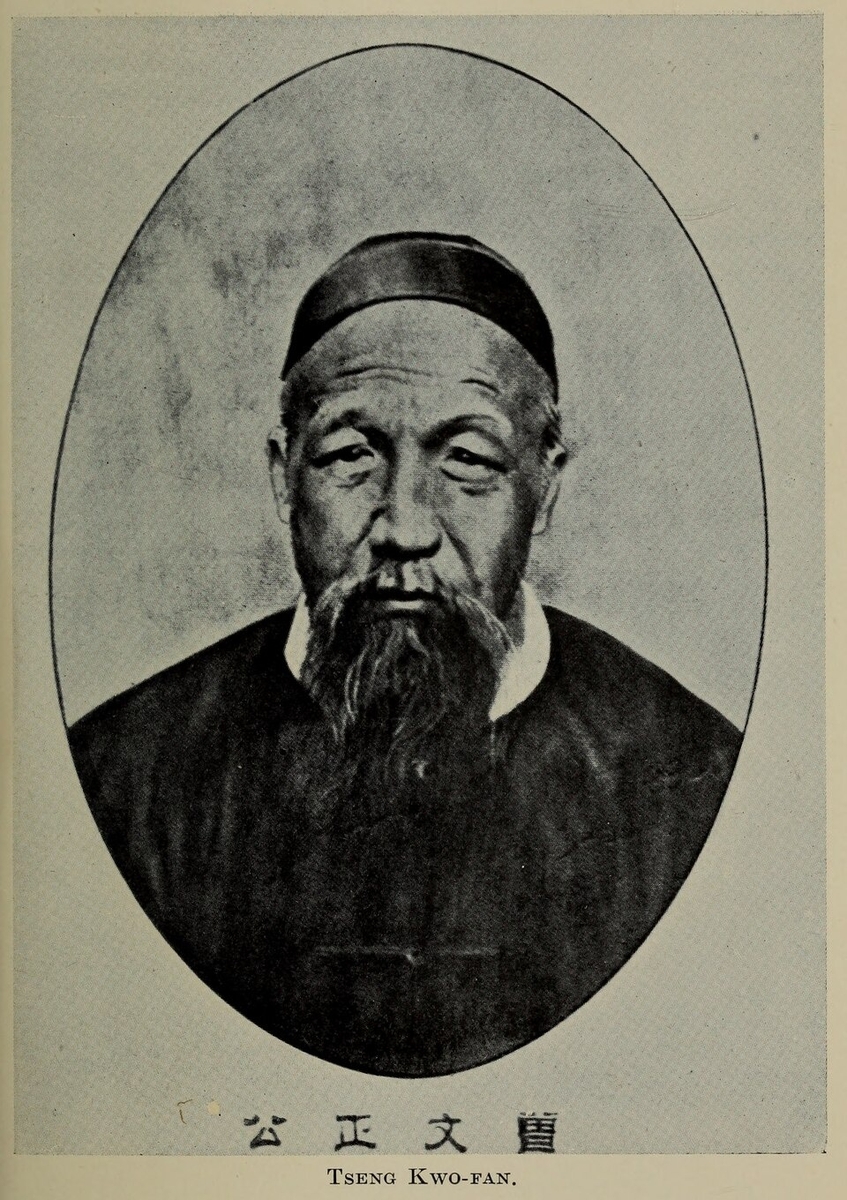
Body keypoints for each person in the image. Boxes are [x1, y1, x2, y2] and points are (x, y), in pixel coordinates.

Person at [68, 233, 742, 1077]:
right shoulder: (124, 779)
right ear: (283, 477)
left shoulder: (689, 781)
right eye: (350, 456)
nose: (406, 526)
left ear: (546, 485)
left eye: (469, 461)